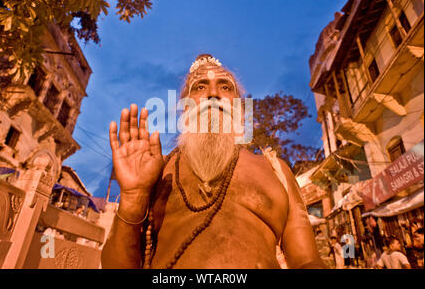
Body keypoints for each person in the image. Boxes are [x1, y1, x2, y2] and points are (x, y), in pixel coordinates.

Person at [101, 54, 326, 269]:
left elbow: (307, 261)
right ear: (185, 107)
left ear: (239, 107)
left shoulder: (276, 170)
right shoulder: (159, 171)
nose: (213, 94)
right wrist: (134, 197)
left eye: (225, 87)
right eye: (200, 87)